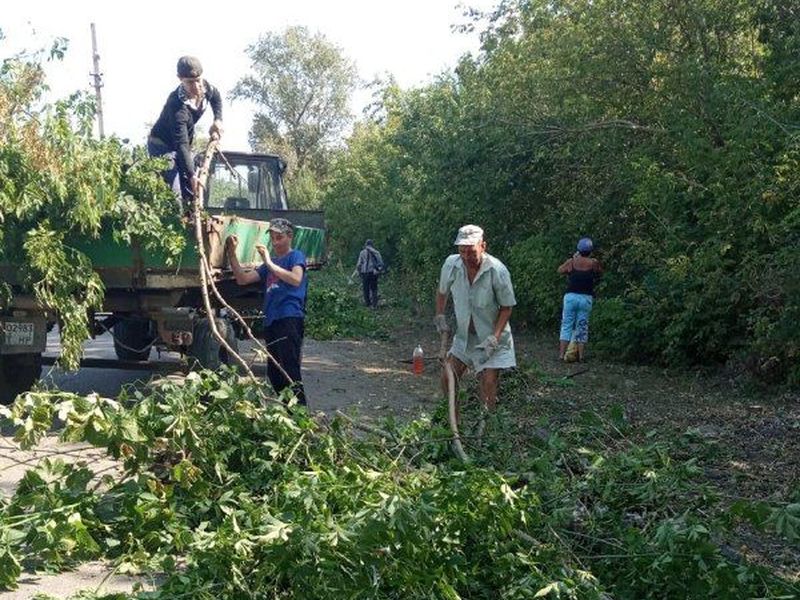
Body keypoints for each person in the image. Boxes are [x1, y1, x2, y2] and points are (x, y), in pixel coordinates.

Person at [434, 224, 516, 414]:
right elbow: (441, 291)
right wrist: (439, 315)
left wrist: (494, 337)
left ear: (483, 246)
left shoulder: (497, 271)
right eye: (462, 252)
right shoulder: (451, 265)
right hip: (464, 337)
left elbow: (506, 307)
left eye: (470, 252)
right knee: (448, 378)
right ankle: (454, 423)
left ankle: (486, 428)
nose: (466, 257)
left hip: (492, 337)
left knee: (488, 383)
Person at [226, 218, 308, 405]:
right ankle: (287, 413)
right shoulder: (268, 266)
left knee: (290, 370)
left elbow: (296, 279)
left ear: (289, 237)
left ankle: (301, 414)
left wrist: (269, 262)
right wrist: (231, 253)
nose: (275, 241)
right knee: (274, 372)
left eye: (279, 237)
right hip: (271, 320)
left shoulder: (295, 256)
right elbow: (243, 279)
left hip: (289, 318)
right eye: (272, 237)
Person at [148, 56, 224, 206]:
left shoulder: (206, 88)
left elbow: (217, 99)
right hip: (162, 147)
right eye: (190, 82)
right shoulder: (176, 106)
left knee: (191, 192)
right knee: (175, 194)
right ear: (180, 79)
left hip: (183, 146)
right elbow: (181, 145)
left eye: (198, 80)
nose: (196, 86)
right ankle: (175, 221)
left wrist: (217, 120)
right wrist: (191, 176)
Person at [557, 237, 603, 362]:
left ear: (579, 249)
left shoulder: (571, 262)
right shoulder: (594, 263)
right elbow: (600, 272)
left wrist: (574, 258)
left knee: (566, 325)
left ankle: (561, 355)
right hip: (586, 298)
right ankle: (581, 357)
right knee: (582, 326)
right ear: (590, 250)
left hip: (571, 297)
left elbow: (560, 270)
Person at [352, 239, 384, 308]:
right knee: (374, 288)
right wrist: (379, 271)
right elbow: (381, 263)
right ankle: (374, 304)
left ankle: (368, 304)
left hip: (365, 273)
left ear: (365, 245)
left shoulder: (362, 252)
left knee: (365, 288)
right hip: (373, 273)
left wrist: (359, 272)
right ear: (372, 245)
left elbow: (359, 264)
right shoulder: (376, 252)